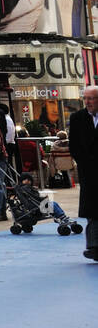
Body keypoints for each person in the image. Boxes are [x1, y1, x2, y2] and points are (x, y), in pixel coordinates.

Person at [67, 86, 98, 260]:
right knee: (93, 210)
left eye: (92, 98)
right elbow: (74, 145)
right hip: (89, 171)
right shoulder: (77, 118)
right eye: (85, 98)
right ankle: (94, 246)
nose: (88, 102)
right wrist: (83, 164)